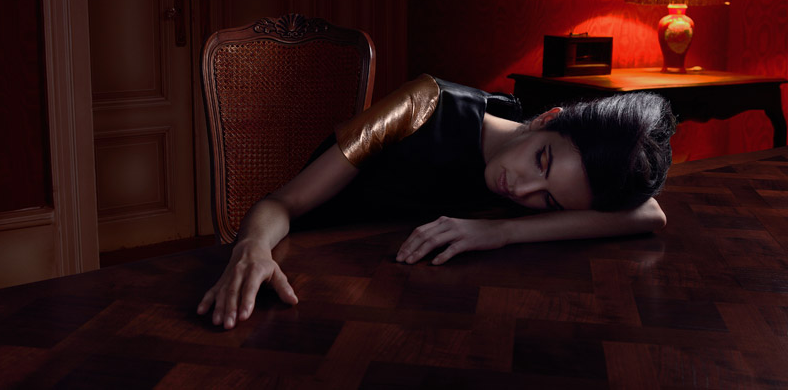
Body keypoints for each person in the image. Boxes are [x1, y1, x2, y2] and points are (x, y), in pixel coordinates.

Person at [197, 74, 675, 329]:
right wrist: (252, 248)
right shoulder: (423, 106)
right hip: (298, 266)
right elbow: (283, 204)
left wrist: (503, 231)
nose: (521, 189)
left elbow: (649, 213)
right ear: (547, 118)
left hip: (392, 295)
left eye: (547, 201)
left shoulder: (541, 185)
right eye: (541, 162)